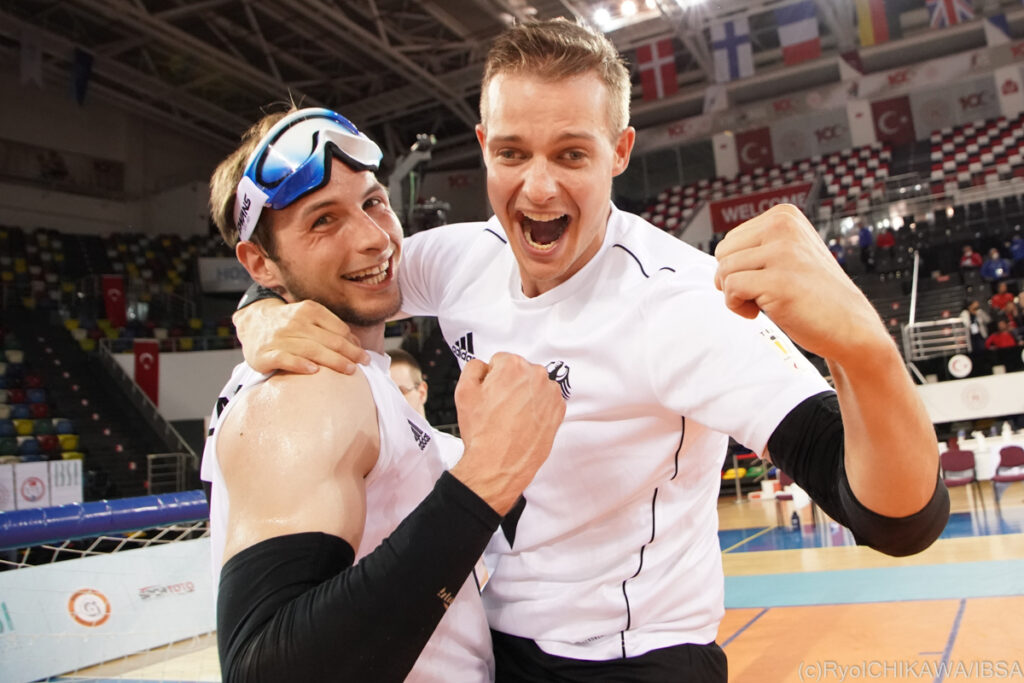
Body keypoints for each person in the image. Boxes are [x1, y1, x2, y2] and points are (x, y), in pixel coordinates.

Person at [233, 19, 948, 681]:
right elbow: (348, 275)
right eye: (512, 152)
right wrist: (260, 310)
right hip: (499, 646)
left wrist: (864, 347)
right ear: (483, 145)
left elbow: (897, 518)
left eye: (571, 153)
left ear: (620, 152)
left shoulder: (680, 305)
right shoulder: (459, 260)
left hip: (633, 658)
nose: (538, 187)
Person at [201, 107, 566, 682]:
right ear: (260, 263)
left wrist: (256, 307)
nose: (375, 239)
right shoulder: (312, 388)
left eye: (373, 203)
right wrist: (486, 479)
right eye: (323, 220)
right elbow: (264, 672)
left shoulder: (358, 378)